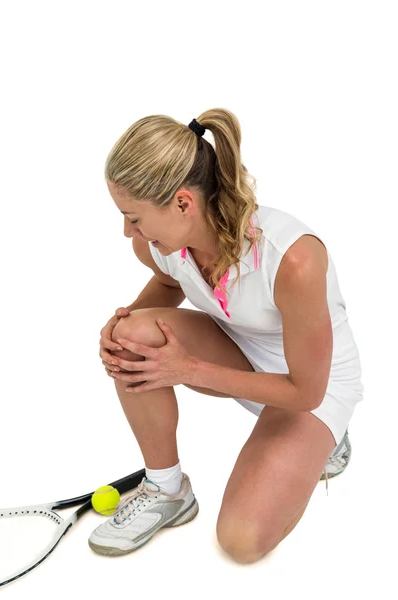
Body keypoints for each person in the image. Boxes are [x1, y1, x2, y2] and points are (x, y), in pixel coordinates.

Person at [88, 108, 364, 564]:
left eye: (133, 218)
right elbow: (173, 281)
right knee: (129, 338)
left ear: (182, 203)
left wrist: (189, 368)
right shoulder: (160, 242)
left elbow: (305, 390)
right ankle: (166, 488)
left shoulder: (292, 260)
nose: (127, 232)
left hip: (314, 387)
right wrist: (124, 320)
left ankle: (324, 442)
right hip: (240, 355)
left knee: (240, 540)